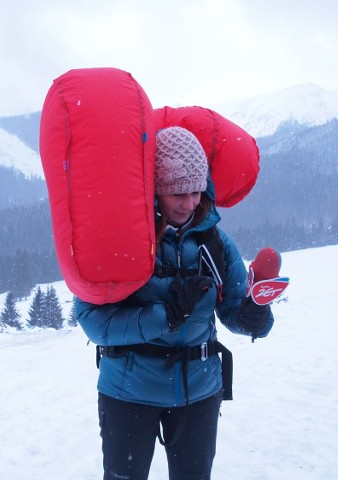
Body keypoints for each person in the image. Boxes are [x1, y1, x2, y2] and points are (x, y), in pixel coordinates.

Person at [76, 126, 275, 480]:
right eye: (178, 193)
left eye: (197, 191)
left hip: (198, 392)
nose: (190, 203)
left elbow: (231, 312)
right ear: (155, 189)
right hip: (128, 392)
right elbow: (93, 320)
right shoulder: (119, 238)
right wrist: (167, 315)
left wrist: (255, 313)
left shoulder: (215, 243)